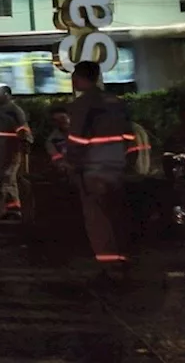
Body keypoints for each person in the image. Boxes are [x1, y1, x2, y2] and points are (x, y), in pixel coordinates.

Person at [65, 60, 134, 277]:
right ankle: (123, 258)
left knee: (97, 218)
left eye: (74, 76)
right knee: (117, 214)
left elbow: (77, 140)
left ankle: (109, 265)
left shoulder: (82, 105)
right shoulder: (116, 102)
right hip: (117, 166)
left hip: (93, 168)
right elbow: (130, 136)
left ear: (81, 77)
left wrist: (72, 165)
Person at [0, 86, 33, 218]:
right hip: (1, 151)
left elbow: (23, 130)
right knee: (7, 179)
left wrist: (24, 146)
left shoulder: (14, 111)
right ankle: (11, 208)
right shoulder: (1, 111)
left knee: (5, 178)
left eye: (0, 94)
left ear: (7, 95)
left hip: (11, 150)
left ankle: (0, 208)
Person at [45, 105, 71, 172]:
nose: (61, 122)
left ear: (69, 117)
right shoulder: (52, 140)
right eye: (56, 120)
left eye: (63, 118)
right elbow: (56, 157)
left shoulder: (83, 132)